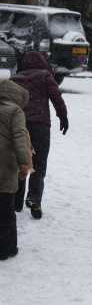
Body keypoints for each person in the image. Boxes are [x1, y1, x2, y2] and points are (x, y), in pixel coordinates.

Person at [10, 52, 68, 220]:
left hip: (20, 125)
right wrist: (63, 117)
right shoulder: (45, 75)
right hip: (41, 126)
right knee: (39, 164)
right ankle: (34, 199)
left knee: (20, 162)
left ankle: (16, 202)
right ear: (42, 62)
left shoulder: (16, 79)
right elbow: (56, 98)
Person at [0, 80, 29, 260]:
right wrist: (23, 161)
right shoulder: (15, 111)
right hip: (6, 163)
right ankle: (6, 248)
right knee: (6, 209)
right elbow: (19, 135)